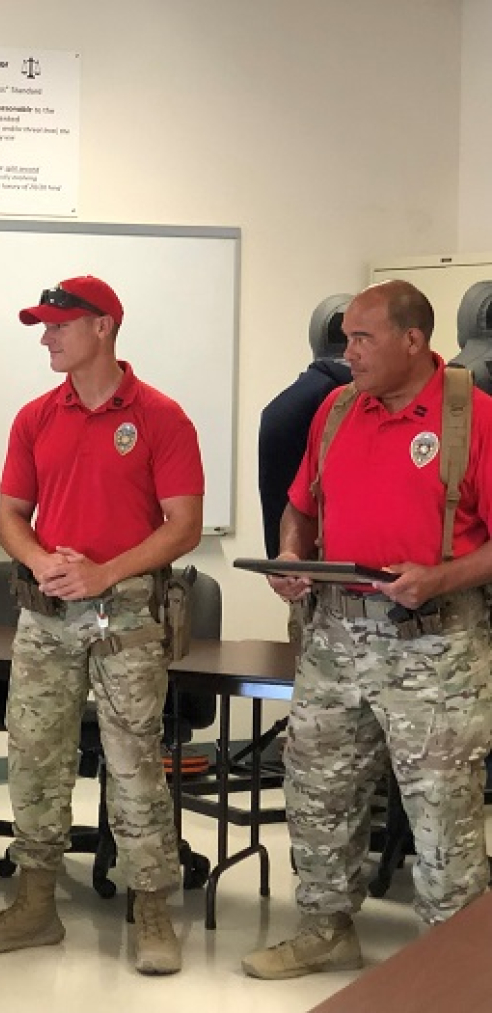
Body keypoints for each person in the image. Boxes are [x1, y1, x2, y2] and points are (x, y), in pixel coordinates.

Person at [243, 280, 492, 979]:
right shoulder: (336, 408)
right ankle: (326, 927)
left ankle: (454, 965)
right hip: (335, 638)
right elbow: (301, 505)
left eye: (362, 337)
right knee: (317, 789)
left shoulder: (474, 419)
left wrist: (438, 576)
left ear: (414, 340)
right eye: (346, 336)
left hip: (433, 641)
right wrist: (292, 553)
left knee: (443, 812)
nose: (345, 351)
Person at [0, 275, 204, 976]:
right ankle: (35, 902)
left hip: (124, 616)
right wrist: (40, 561)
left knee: (132, 764)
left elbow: (184, 525)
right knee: (34, 756)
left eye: (59, 324)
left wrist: (104, 572)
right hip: (45, 615)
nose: (47, 336)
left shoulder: (162, 418)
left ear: (104, 327)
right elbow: (10, 513)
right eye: (44, 325)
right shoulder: (36, 416)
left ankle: (152, 907)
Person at [258, 294, 353, 558]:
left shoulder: (284, 407)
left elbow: (276, 496)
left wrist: (283, 560)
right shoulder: (391, 398)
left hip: (306, 569)